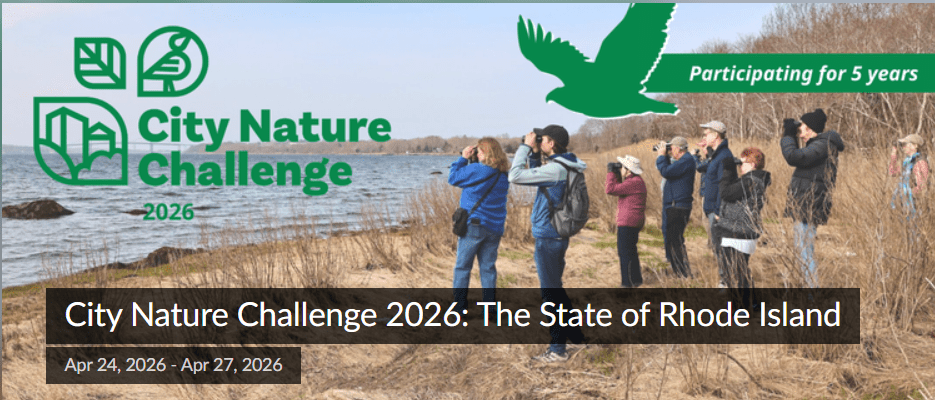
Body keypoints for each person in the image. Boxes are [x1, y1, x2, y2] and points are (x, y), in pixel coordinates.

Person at [508, 124, 587, 363]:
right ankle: (576, 336)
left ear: (552, 143)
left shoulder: (556, 169)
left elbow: (515, 176)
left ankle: (557, 350)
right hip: (556, 235)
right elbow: (539, 179)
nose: (539, 141)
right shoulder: (566, 165)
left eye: (542, 139)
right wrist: (534, 154)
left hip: (549, 237)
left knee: (550, 294)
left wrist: (523, 147)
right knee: (557, 290)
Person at [781, 108, 845, 288]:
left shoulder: (823, 145)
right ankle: (808, 288)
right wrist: (791, 135)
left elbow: (794, 157)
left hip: (810, 206)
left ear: (809, 129)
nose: (800, 135)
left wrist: (787, 135)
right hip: (805, 206)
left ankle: (812, 291)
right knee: (802, 251)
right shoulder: (819, 145)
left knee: (805, 252)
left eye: (800, 130)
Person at [449, 138, 510, 311]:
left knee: (462, 267)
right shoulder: (503, 174)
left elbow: (453, 178)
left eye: (479, 151)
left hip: (474, 226)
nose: (477, 154)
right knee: (488, 268)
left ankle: (459, 308)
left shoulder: (476, 170)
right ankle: (490, 309)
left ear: (486, 153)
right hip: (495, 227)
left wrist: (463, 158)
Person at [712, 148, 771, 308]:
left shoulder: (751, 181)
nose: (739, 166)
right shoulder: (751, 180)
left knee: (736, 272)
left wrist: (727, 169)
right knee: (740, 271)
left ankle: (742, 307)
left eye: (742, 163)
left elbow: (726, 193)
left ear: (752, 164)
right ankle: (751, 304)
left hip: (739, 232)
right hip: (738, 231)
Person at [694, 121, 734, 288]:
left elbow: (724, 185)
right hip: (712, 209)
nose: (704, 136)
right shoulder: (717, 155)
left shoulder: (724, 156)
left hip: (717, 211)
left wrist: (718, 210)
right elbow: (704, 169)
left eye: (707, 133)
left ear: (716, 135)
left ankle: (727, 281)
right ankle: (725, 279)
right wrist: (707, 151)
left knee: (721, 247)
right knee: (717, 246)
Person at [655, 136, 696, 278]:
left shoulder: (686, 160)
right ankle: (679, 271)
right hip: (675, 205)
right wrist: (665, 157)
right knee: (673, 240)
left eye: (671, 148)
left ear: (678, 148)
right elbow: (669, 170)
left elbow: (666, 172)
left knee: (676, 240)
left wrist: (661, 156)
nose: (670, 151)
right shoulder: (683, 161)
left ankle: (683, 273)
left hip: (678, 206)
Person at [606, 155, 647, 288]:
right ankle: (636, 280)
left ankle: (627, 284)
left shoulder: (633, 182)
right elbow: (619, 187)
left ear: (628, 170)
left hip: (628, 222)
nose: (620, 168)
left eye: (622, 167)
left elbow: (610, 189)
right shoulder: (636, 181)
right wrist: (617, 174)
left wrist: (611, 173)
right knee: (631, 251)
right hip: (634, 221)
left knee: (624, 253)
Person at [889, 134, 930, 217]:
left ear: (915, 145)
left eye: (905, 144)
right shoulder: (907, 162)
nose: (903, 147)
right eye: (902, 145)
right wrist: (894, 154)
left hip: (915, 208)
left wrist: (909, 195)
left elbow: (922, 187)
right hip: (904, 205)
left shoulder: (920, 162)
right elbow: (892, 172)